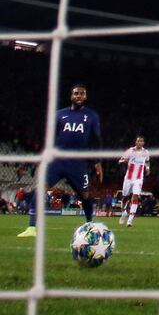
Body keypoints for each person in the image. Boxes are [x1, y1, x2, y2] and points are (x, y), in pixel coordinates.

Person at [18, 84, 103, 238]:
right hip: (57, 161)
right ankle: (31, 228)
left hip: (78, 163)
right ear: (71, 96)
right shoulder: (59, 114)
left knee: (84, 196)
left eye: (82, 94)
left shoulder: (92, 116)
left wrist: (97, 162)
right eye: (76, 93)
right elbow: (50, 137)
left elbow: (96, 140)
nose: (79, 96)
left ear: (86, 97)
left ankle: (89, 224)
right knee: (40, 189)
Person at [118, 136, 151, 227]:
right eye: (138, 141)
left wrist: (148, 168)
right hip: (128, 178)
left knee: (135, 197)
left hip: (138, 178)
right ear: (136, 142)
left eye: (141, 141)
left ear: (143, 143)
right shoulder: (130, 151)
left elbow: (147, 161)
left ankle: (130, 220)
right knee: (124, 197)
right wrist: (125, 160)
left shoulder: (146, 152)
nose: (140, 142)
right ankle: (124, 212)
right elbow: (120, 160)